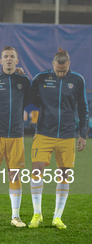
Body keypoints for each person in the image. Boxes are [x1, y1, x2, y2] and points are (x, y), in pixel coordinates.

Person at [26, 48, 88, 230]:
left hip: (67, 135)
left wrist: (82, 134)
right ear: (52, 64)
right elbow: (29, 97)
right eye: (58, 70)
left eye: (64, 70)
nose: (61, 74)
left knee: (64, 174)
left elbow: (83, 108)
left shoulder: (77, 80)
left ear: (69, 64)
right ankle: (37, 213)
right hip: (44, 132)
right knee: (36, 170)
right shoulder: (41, 78)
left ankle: (57, 216)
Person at [0, 46, 31, 227]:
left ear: (17, 61)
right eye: (6, 57)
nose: (9, 59)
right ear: (0, 61)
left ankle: (15, 217)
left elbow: (29, 99)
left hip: (16, 135)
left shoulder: (23, 81)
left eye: (12, 57)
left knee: (14, 175)